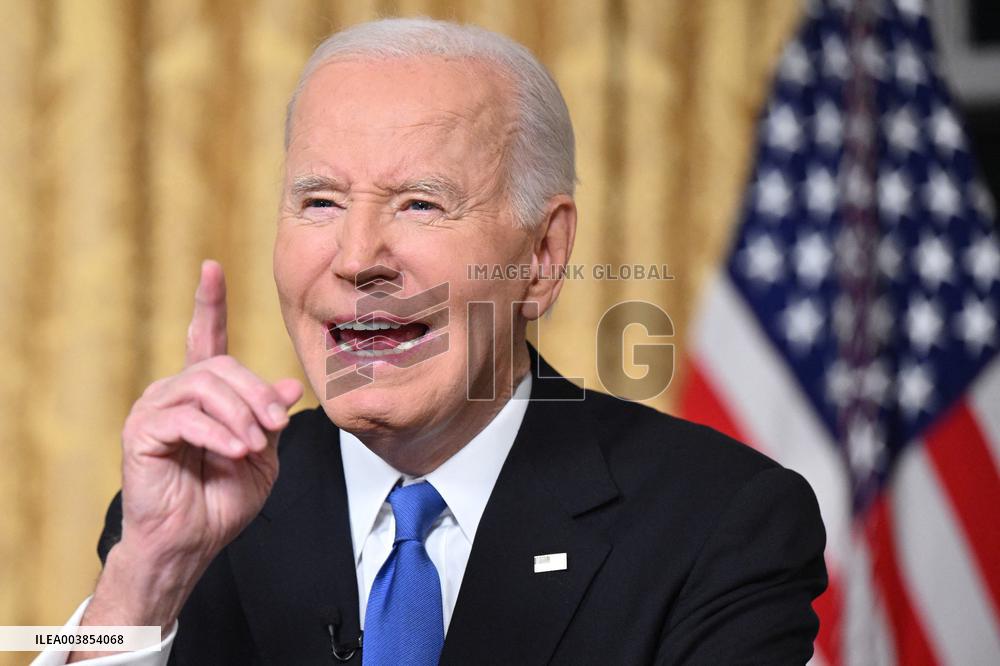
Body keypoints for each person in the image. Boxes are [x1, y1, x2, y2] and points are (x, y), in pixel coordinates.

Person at [37, 17, 827, 666]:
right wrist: (143, 579)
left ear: (542, 258)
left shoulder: (720, 523)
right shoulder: (193, 518)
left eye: (419, 204)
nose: (356, 259)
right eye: (319, 201)